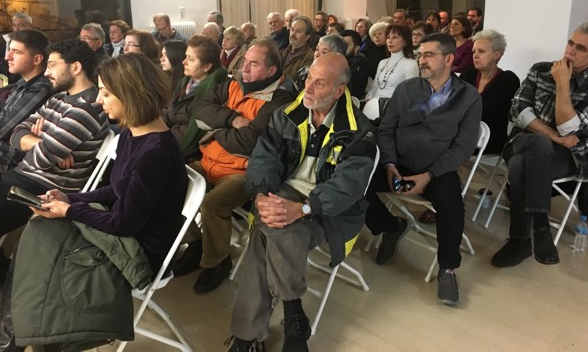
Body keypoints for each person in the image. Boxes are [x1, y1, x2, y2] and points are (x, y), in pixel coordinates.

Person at [0, 53, 188, 351]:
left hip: (138, 250)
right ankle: (9, 341)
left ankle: (16, 342)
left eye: (106, 94)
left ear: (131, 94)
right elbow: (114, 190)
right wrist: (69, 198)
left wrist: (70, 210)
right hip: (120, 231)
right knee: (34, 242)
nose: (98, 100)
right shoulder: (132, 133)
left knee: (45, 264)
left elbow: (124, 224)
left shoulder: (155, 153)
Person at [227, 53, 376, 352]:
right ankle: (293, 312)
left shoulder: (360, 130)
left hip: (329, 212)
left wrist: (304, 208)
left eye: (319, 83)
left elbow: (348, 187)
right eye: (308, 78)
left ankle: (249, 336)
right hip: (280, 196)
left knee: (268, 232)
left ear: (339, 91)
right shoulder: (287, 114)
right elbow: (263, 158)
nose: (307, 88)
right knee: (275, 224)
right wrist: (261, 194)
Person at [365, 32, 481, 306]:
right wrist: (389, 164)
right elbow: (386, 130)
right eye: (420, 55)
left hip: (436, 169)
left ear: (449, 59)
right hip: (397, 162)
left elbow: (463, 147)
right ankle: (391, 226)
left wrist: (429, 175)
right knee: (355, 180)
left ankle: (448, 269)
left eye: (429, 54)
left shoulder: (468, 97)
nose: (421, 60)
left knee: (452, 203)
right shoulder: (407, 89)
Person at [172, 39, 296, 293]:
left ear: (272, 71)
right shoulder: (234, 82)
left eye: (253, 64)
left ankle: (217, 262)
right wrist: (231, 118)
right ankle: (196, 242)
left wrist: (214, 129)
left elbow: (249, 141)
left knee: (212, 204)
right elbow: (200, 110)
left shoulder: (280, 99)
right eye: (244, 61)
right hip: (209, 160)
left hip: (245, 171)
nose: (244, 69)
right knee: (166, 183)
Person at [0, 39, 110, 290]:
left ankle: (5, 283)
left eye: (52, 65)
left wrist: (36, 143)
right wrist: (42, 141)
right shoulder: (59, 98)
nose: (46, 72)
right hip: (23, 176)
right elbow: (15, 133)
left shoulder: (88, 108)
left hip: (45, 190)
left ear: (76, 67)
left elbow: (41, 159)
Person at [491, 22, 588, 268]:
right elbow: (517, 110)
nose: (570, 51)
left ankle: (520, 240)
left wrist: (563, 84)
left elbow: (570, 129)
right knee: (535, 144)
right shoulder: (540, 70)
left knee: (521, 164)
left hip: (567, 154)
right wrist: (554, 136)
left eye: (580, 48)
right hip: (523, 141)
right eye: (570, 43)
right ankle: (541, 228)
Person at [419, 29, 520, 225]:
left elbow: (486, 111)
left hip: (488, 138)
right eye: (474, 51)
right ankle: (432, 189)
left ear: (497, 54)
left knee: (447, 146)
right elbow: (452, 101)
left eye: (481, 51)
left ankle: (446, 202)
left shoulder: (508, 80)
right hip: (460, 130)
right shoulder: (469, 73)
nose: (475, 55)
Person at [0, 30, 52, 175]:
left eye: (16, 52)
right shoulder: (22, 83)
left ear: (37, 59)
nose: (7, 57)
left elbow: (0, 131)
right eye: (9, 50)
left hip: (5, 162)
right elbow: (1, 120)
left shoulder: (40, 89)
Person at [162, 35, 227, 162]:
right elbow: (170, 111)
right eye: (186, 56)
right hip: (170, 136)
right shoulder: (185, 81)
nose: (184, 62)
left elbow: (190, 130)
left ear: (207, 67)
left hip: (186, 150)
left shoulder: (214, 91)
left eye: (191, 59)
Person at [363, 24, 418, 122]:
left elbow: (409, 94)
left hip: (392, 110)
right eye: (388, 37)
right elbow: (375, 87)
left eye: (395, 37)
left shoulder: (411, 64)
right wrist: (369, 96)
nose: (390, 41)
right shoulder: (382, 62)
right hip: (373, 106)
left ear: (405, 42)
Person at [0, 12, 34, 88]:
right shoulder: (7, 41)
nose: (17, 29)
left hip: (25, 83)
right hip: (6, 80)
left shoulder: (37, 42)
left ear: (30, 26)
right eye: (14, 25)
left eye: (21, 25)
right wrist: (5, 69)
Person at [281, 16, 315, 81]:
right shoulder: (282, 52)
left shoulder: (309, 57)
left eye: (298, 31)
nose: (293, 34)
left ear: (307, 37)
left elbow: (299, 83)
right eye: (292, 30)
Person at [341, 29, 371, 100]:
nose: (342, 48)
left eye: (346, 45)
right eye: (340, 44)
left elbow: (355, 91)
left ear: (356, 48)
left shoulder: (361, 64)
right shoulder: (335, 59)